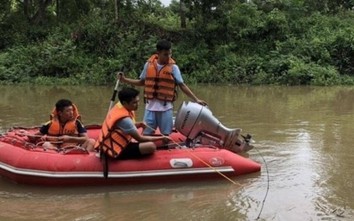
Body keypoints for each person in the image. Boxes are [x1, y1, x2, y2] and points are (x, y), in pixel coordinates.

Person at [119, 39, 207, 135]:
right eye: (165, 54)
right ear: (158, 53)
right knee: (146, 134)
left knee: (166, 135)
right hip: (150, 108)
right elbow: (141, 82)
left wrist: (196, 99)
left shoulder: (174, 68)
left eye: (170, 54)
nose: (168, 57)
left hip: (166, 108)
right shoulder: (148, 65)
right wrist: (125, 80)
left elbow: (182, 85)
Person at [94, 87, 170, 159]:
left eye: (138, 101)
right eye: (134, 102)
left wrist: (139, 124)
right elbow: (140, 139)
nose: (138, 104)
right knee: (151, 146)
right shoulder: (125, 120)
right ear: (124, 103)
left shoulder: (119, 107)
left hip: (108, 143)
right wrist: (162, 138)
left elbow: (122, 127)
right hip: (114, 149)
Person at [31, 99, 95, 152]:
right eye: (68, 111)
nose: (71, 113)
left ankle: (84, 160)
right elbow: (35, 136)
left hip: (73, 150)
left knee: (91, 141)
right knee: (46, 144)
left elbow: (85, 138)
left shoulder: (77, 123)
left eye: (72, 110)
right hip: (55, 149)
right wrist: (25, 133)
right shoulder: (49, 124)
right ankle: (57, 159)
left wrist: (70, 139)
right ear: (60, 113)